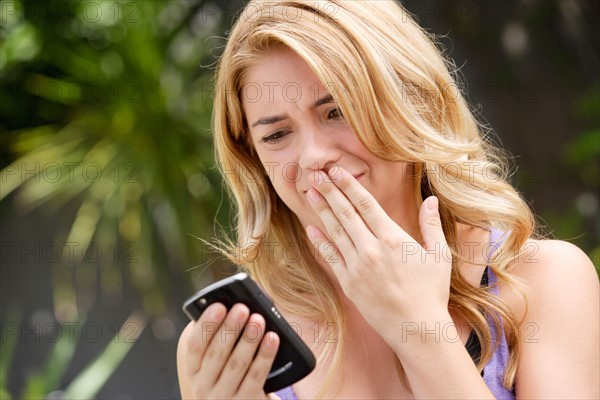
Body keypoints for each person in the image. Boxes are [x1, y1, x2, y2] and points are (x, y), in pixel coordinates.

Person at [177, 1, 599, 398]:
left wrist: (418, 326)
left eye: (336, 111)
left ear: (411, 99)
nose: (313, 156)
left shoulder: (543, 281)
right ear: (252, 157)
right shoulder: (240, 342)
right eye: (276, 135)